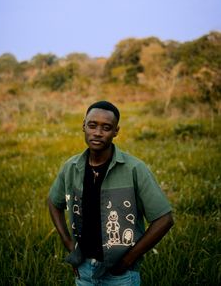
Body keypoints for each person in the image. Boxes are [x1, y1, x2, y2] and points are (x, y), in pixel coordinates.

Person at [48, 101, 174, 285]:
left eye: (106, 128)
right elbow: (53, 202)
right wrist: (69, 244)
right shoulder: (71, 167)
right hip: (83, 270)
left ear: (116, 131)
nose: (98, 133)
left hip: (121, 275)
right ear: (84, 126)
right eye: (92, 125)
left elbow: (165, 219)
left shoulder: (134, 169)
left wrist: (128, 260)